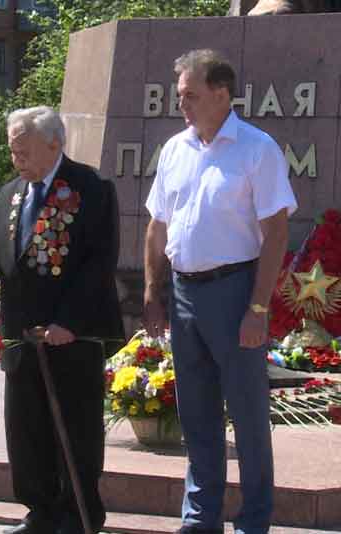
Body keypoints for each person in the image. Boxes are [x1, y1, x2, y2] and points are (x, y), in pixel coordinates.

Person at [143, 49, 297, 534]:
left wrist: (257, 307)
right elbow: (156, 225)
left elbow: (275, 233)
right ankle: (200, 518)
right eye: (178, 94)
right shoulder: (174, 149)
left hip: (234, 292)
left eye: (189, 94)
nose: (180, 103)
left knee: (248, 418)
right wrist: (152, 289)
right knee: (197, 415)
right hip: (184, 294)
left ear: (221, 93)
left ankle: (253, 521)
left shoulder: (256, 148)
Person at [0, 106, 124, 534]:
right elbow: (7, 258)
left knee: (76, 429)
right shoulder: (8, 193)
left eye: (24, 147)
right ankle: (40, 512)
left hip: (71, 334)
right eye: (13, 147)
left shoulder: (91, 187)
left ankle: (78, 515)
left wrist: (68, 321)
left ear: (54, 143)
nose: (15, 154)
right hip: (21, 332)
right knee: (25, 429)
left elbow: (99, 263)